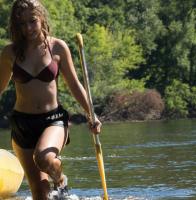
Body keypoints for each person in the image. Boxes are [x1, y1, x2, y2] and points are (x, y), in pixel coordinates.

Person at [0, 0, 102, 199]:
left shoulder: (57, 47)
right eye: (22, 24)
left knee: (44, 158)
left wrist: (92, 114)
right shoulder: (9, 53)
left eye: (32, 21)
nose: (28, 28)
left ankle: (61, 179)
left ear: (42, 18)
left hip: (53, 120)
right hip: (22, 124)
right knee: (40, 194)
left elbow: (75, 85)